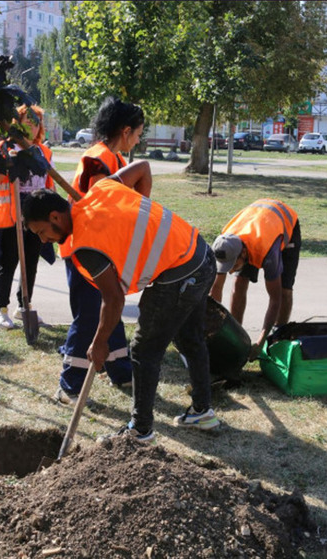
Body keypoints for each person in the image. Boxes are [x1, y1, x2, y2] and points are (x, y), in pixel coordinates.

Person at [23, 161, 220, 441]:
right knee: (190, 338)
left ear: (55, 217)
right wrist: (141, 214)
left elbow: (113, 299)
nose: (44, 240)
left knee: (143, 349)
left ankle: (140, 431)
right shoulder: (102, 188)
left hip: (180, 274)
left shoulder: (86, 245)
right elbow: (142, 168)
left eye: (42, 232)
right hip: (201, 253)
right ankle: (203, 411)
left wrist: (100, 341)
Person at [54, 97, 144, 405]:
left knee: (111, 309)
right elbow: (101, 206)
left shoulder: (113, 158)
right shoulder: (99, 159)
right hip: (86, 252)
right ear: (126, 130)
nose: (139, 139)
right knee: (90, 315)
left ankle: (120, 371)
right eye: (139, 133)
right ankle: (69, 385)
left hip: (102, 252)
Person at [0, 104, 55, 329]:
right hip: (11, 218)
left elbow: (49, 184)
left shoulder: (43, 152)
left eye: (36, 124)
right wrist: (8, 166)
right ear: (18, 123)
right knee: (9, 262)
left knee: (31, 263)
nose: (32, 127)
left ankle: (24, 305)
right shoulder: (6, 148)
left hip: (36, 218)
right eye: (28, 122)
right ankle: (0, 309)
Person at [209, 199, 301, 358]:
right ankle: (237, 336)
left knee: (284, 290)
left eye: (232, 265)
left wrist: (260, 342)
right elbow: (215, 290)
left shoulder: (267, 251)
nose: (229, 271)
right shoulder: (224, 245)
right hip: (255, 223)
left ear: (243, 254)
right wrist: (215, 328)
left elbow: (275, 299)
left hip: (285, 225)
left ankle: (277, 338)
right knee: (238, 284)